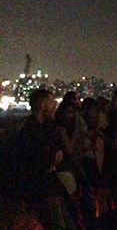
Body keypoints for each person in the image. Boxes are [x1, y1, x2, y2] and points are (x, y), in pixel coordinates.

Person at [17, 88, 76, 229]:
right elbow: (38, 160)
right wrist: (52, 160)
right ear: (43, 105)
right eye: (51, 102)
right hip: (41, 188)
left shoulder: (41, 127)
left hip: (46, 185)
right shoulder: (31, 130)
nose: (55, 105)